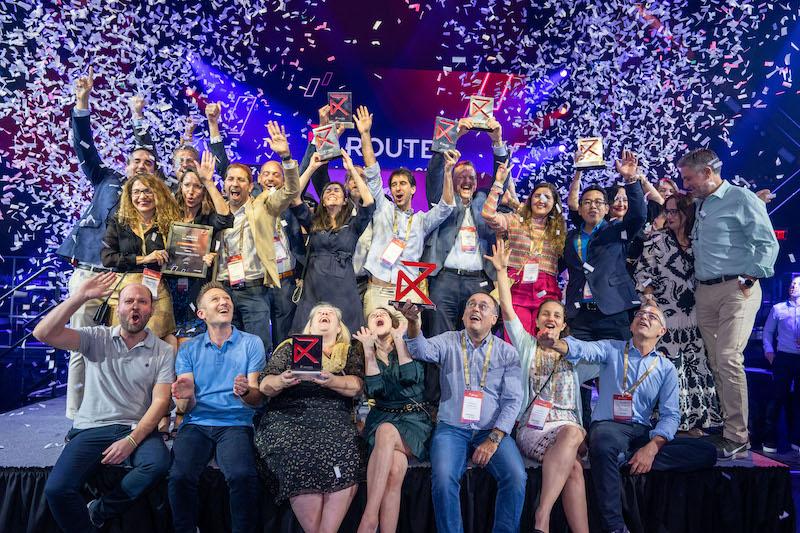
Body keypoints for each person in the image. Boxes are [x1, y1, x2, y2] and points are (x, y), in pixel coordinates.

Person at [537, 304, 717, 533]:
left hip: (641, 432)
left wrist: (652, 448)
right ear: (631, 326)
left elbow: (671, 415)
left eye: (652, 316)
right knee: (603, 442)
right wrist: (556, 344)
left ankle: (624, 459)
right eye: (640, 314)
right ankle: (615, 527)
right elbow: (583, 348)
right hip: (608, 427)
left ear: (661, 331)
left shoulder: (665, 368)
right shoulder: (612, 349)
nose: (644, 317)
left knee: (706, 452)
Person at [33, 273, 174, 533]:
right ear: (117, 308)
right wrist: (79, 297)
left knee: (157, 464)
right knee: (57, 490)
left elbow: (161, 401)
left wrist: (131, 441)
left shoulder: (163, 351)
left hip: (136, 427)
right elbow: (43, 333)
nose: (135, 306)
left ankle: (98, 510)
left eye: (142, 302)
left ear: (151, 309)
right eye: (128, 301)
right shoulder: (97, 337)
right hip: (92, 427)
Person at [60, 67, 159, 420]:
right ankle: (76, 416)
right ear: (126, 164)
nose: (141, 166)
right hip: (91, 271)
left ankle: (114, 412)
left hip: (125, 277)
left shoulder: (151, 198)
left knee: (120, 345)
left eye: (148, 163)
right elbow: (84, 148)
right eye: (136, 161)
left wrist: (139, 118)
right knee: (81, 343)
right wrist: (82, 101)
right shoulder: (106, 179)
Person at [486, 240, 593, 533]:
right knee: (573, 439)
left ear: (563, 325)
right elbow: (507, 308)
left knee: (574, 464)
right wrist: (501, 272)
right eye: (545, 314)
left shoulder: (574, 354)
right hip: (535, 428)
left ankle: (552, 521)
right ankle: (542, 517)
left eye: (557, 315)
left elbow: (606, 357)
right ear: (536, 321)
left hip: (568, 429)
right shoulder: (526, 346)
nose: (551, 318)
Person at [678, 147, 779, 458]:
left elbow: (767, 243)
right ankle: (728, 431)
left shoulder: (742, 198)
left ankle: (738, 435)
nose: (685, 184)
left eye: (689, 178)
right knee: (717, 362)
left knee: (728, 357)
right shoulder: (701, 203)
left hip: (737, 288)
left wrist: (750, 278)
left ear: (708, 172)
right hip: (705, 291)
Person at [398, 293, 526, 533]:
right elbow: (419, 349)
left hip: (491, 430)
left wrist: (494, 439)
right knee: (444, 478)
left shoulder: (507, 352)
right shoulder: (449, 340)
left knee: (516, 476)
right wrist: (414, 322)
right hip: (451, 429)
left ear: (494, 319)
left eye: (483, 306)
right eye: (471, 305)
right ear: (464, 315)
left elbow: (512, 401)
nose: (475, 308)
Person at [256, 304, 365, 533]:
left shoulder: (348, 351)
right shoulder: (289, 348)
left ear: (339, 328)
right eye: (319, 313)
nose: (324, 314)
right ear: (310, 326)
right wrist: (282, 381)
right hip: (288, 418)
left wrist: (331, 381)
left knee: (347, 451)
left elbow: (356, 386)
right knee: (295, 451)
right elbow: (265, 385)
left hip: (334, 418)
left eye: (330, 313)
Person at [168, 281, 265, 533]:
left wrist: (245, 391)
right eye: (215, 299)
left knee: (242, 476)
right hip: (197, 423)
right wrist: (185, 397)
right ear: (201, 313)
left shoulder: (251, 343)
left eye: (226, 299)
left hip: (236, 422)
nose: (224, 302)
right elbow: (186, 406)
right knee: (179, 476)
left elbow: (257, 398)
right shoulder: (188, 348)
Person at [357, 106, 456, 323]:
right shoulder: (382, 208)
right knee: (374, 342)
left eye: (403, 183)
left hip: (408, 294)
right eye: (394, 185)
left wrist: (448, 172)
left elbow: (446, 206)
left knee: (409, 343)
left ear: (413, 189)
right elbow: (372, 171)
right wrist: (365, 134)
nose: (397, 188)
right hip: (378, 291)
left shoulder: (421, 220)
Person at [634, 193, 722, 434]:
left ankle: (694, 421)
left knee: (695, 367)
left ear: (687, 212)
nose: (670, 216)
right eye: (668, 211)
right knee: (668, 369)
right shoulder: (657, 240)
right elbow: (642, 274)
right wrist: (650, 302)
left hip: (696, 314)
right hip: (665, 316)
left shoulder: (699, 240)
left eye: (675, 211)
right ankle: (665, 423)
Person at [215, 121, 300, 354]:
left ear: (251, 185)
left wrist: (286, 157)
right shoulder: (215, 211)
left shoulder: (264, 205)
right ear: (224, 184)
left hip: (254, 292)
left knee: (258, 351)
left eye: (241, 180)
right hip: (223, 290)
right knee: (225, 351)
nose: (235, 184)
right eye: (230, 179)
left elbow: (291, 191)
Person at [422, 116, 510, 336]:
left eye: (471, 177)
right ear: (452, 180)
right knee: (439, 338)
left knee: (477, 339)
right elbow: (434, 173)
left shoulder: (484, 201)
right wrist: (453, 136)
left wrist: (497, 142)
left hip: (479, 280)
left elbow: (502, 179)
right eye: (461, 177)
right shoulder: (444, 200)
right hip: (445, 280)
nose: (467, 181)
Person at [354, 307, 433, 533]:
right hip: (382, 416)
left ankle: (369, 518)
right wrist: (368, 351)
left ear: (393, 322)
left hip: (414, 420)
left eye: (384, 314)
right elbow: (374, 389)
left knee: (386, 431)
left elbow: (410, 377)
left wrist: (399, 340)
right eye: (373, 316)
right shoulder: (365, 353)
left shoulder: (410, 344)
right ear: (368, 328)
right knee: (395, 470)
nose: (378, 316)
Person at [562, 150, 647, 342]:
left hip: (613, 310)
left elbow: (639, 216)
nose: (593, 206)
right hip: (579, 315)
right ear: (580, 209)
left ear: (607, 208)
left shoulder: (617, 230)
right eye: (587, 202)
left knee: (617, 360)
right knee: (580, 361)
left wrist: (631, 179)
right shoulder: (570, 238)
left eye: (598, 202)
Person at [289, 150, 376, 335]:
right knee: (309, 337)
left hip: (344, 289)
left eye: (337, 190)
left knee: (348, 337)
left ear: (345, 201)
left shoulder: (353, 225)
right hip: (314, 289)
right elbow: (294, 197)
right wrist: (311, 167)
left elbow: (368, 202)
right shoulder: (313, 222)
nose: (332, 192)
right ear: (322, 201)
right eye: (328, 190)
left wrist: (351, 169)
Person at [101, 172, 183, 349]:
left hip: (157, 291)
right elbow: (107, 258)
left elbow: (181, 258)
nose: (142, 197)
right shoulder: (119, 222)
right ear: (129, 196)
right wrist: (144, 259)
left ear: (158, 194)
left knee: (161, 341)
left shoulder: (170, 223)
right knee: (123, 343)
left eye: (147, 191)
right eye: (136, 192)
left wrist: (200, 259)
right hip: (124, 290)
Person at [482, 170, 567, 337]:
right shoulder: (514, 220)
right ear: (530, 200)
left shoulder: (558, 229)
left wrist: (515, 203)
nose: (541, 200)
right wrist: (498, 184)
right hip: (517, 288)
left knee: (544, 340)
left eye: (547, 197)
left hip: (546, 290)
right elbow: (488, 214)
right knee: (515, 339)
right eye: (537, 196)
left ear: (554, 204)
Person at [169, 152, 233, 341]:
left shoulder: (208, 218)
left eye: (198, 186)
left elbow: (226, 218)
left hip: (197, 286)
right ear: (180, 186)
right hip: (169, 285)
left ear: (204, 191)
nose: (191, 191)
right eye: (187, 185)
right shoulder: (168, 215)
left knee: (193, 341)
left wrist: (209, 181)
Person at [129, 97, 229, 179]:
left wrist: (213, 124)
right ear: (172, 166)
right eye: (180, 161)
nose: (184, 165)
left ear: (198, 165)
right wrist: (137, 115)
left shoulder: (206, 188)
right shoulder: (165, 189)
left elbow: (223, 170)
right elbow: (146, 149)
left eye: (189, 161)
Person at [762, 275, 800, 453]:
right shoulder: (778, 308)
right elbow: (768, 332)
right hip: (783, 357)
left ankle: (796, 438)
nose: (793, 286)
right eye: (792, 284)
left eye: (797, 284)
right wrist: (769, 352)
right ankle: (770, 439)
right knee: (777, 397)